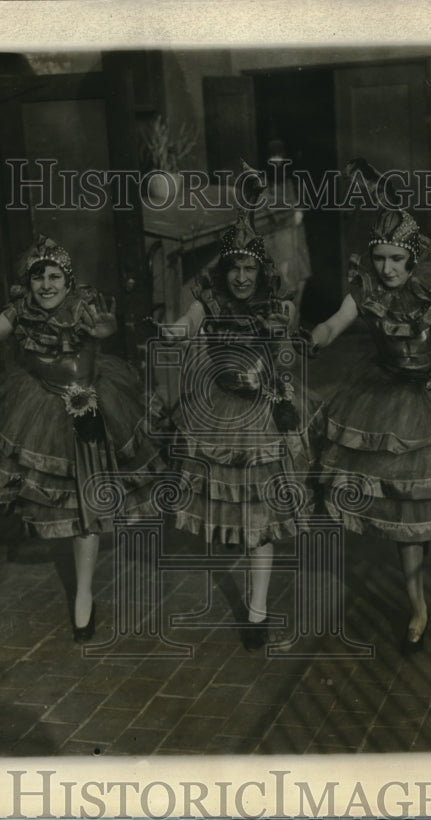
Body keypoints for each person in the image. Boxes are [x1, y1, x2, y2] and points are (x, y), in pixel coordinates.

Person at [0, 235, 162, 642]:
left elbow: (104, 328)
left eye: (55, 276)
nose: (46, 286)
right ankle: (80, 589)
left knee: (89, 501)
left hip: (92, 403)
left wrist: (104, 329)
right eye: (38, 278)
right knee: (64, 500)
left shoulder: (86, 306)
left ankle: (84, 594)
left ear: (68, 281)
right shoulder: (20, 310)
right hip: (41, 405)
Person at [308, 167, 431, 655]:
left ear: (414, 257)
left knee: (426, 494)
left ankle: (417, 579)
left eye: (396, 259)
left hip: (429, 392)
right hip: (383, 395)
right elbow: (335, 322)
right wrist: (312, 339)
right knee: (404, 507)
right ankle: (417, 605)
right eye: (380, 258)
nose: (387, 269)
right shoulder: (366, 287)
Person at [160, 209, 316, 650]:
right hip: (220, 411)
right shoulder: (208, 300)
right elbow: (188, 322)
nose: (242, 277)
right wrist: (174, 333)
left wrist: (271, 382)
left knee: (260, 516)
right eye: (235, 268)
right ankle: (240, 552)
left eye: (250, 268)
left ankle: (258, 609)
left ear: (260, 271)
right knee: (231, 503)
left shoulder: (275, 306)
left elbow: (286, 358)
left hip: (263, 411)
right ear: (224, 270)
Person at [262, 140, 313, 321]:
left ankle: (295, 332)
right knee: (281, 294)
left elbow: (300, 212)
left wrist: (296, 212)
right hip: (277, 245)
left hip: (297, 244)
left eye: (280, 159)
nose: (277, 164)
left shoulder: (294, 183)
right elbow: (271, 216)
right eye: (272, 159)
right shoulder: (264, 187)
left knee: (299, 286)